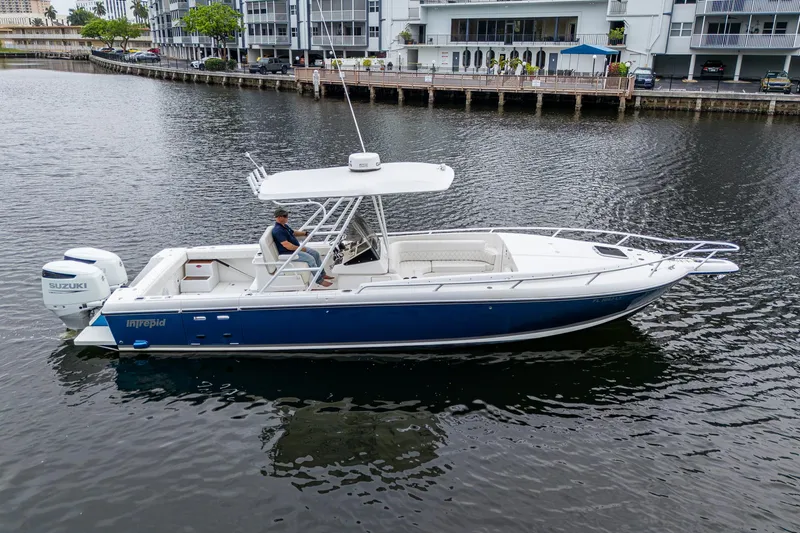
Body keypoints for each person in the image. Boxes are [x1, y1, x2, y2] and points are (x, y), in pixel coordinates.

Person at [272, 208, 334, 287]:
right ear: (279, 217)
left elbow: (293, 232)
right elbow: (286, 245)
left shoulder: (284, 226)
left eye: (287, 215)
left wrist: (304, 233)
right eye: (285, 216)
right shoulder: (278, 230)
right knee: (310, 259)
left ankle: (322, 274)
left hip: (295, 249)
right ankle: (319, 280)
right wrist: (300, 249)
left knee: (315, 254)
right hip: (289, 253)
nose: (287, 217)